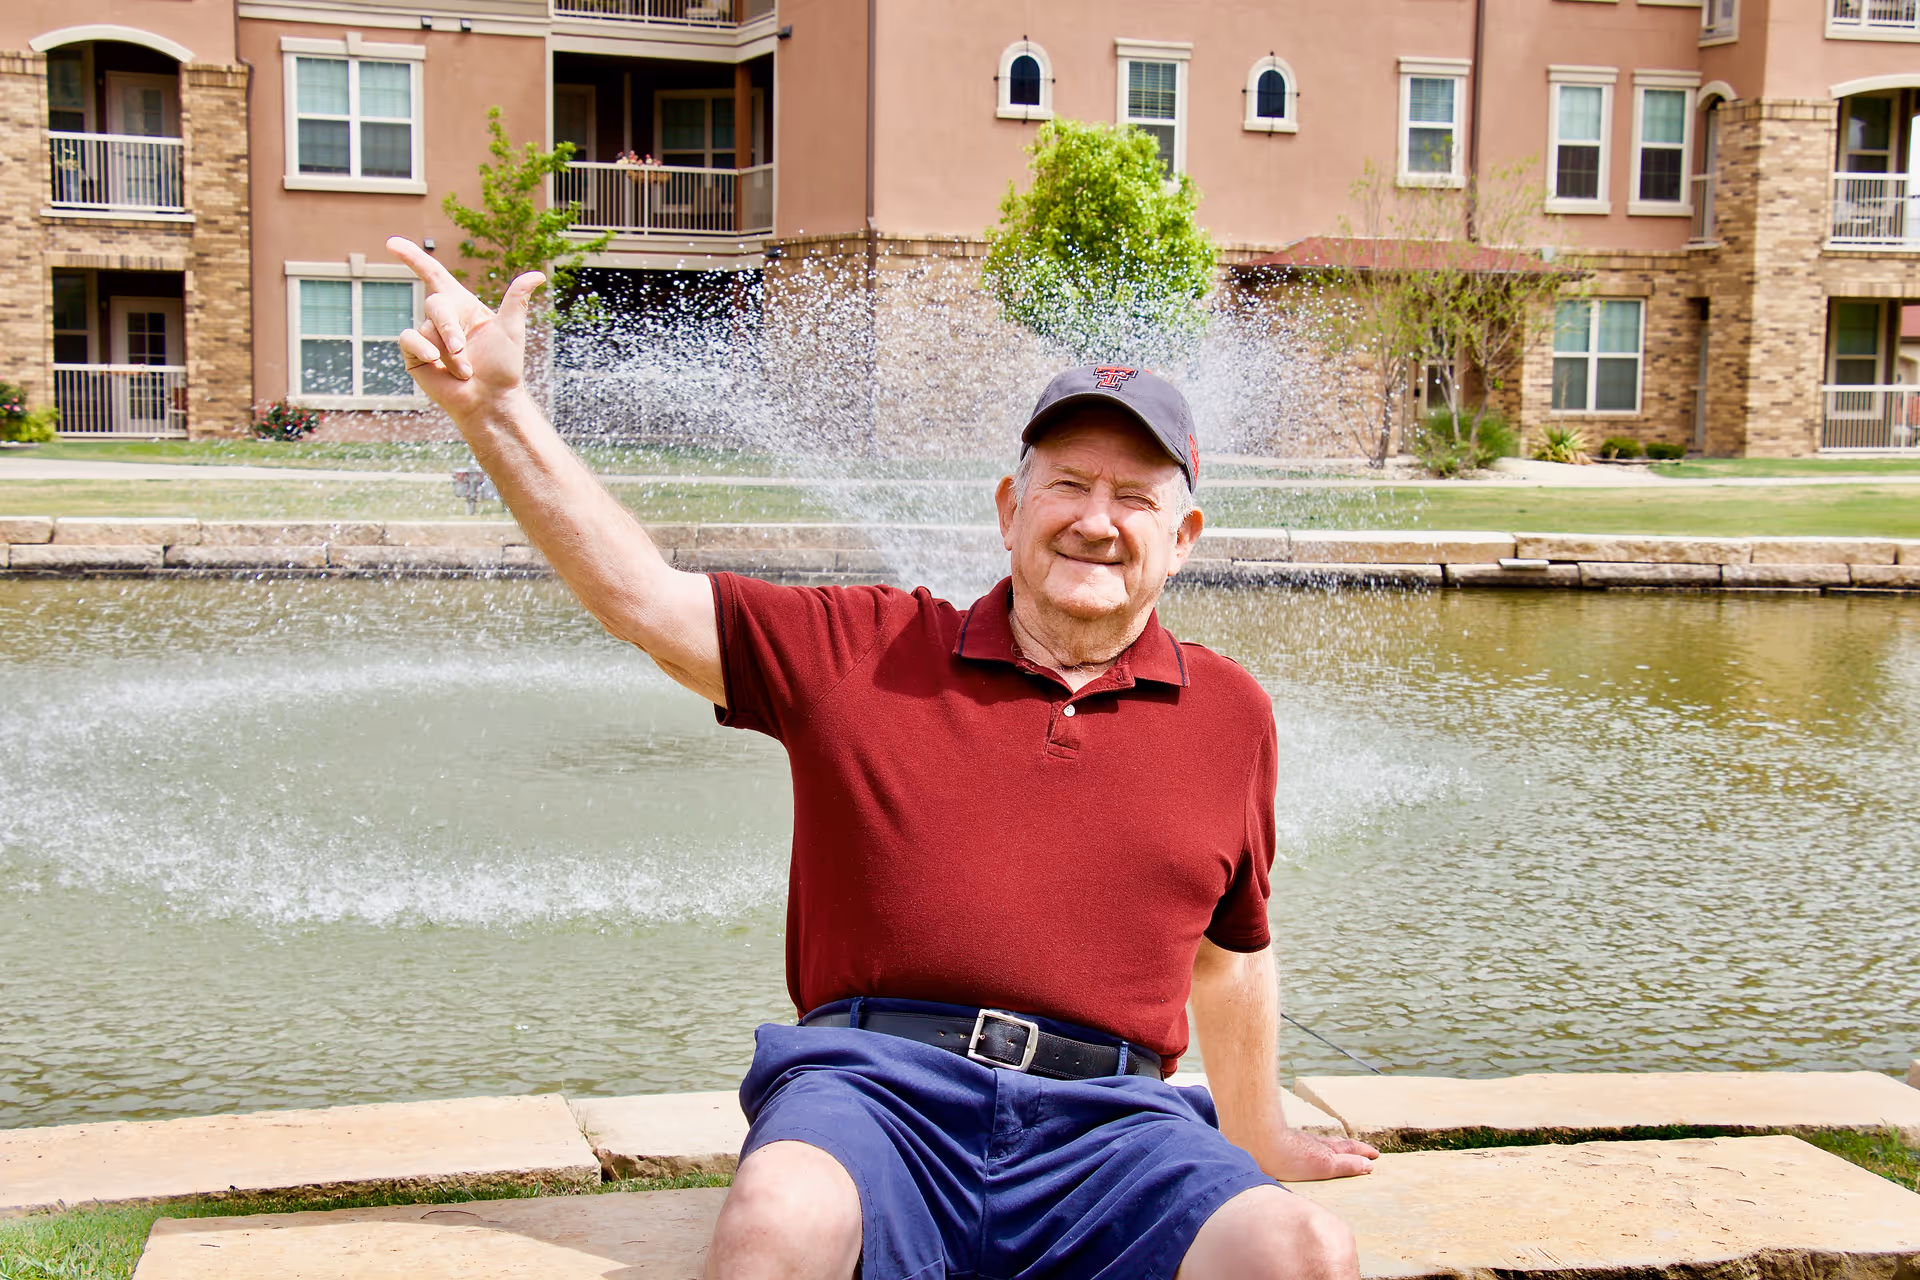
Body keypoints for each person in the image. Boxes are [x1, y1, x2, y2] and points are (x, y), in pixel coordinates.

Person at [385, 237, 1378, 1280]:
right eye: (1068, 483)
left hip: (1113, 1128)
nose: (1096, 519)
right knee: (778, 1215)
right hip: (872, 1092)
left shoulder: (1232, 714)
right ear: (1008, 508)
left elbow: (1232, 950)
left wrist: (1259, 1134)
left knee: (1302, 1251)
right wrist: (496, 411)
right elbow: (642, 596)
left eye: (1135, 496)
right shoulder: (863, 648)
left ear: (1184, 536)